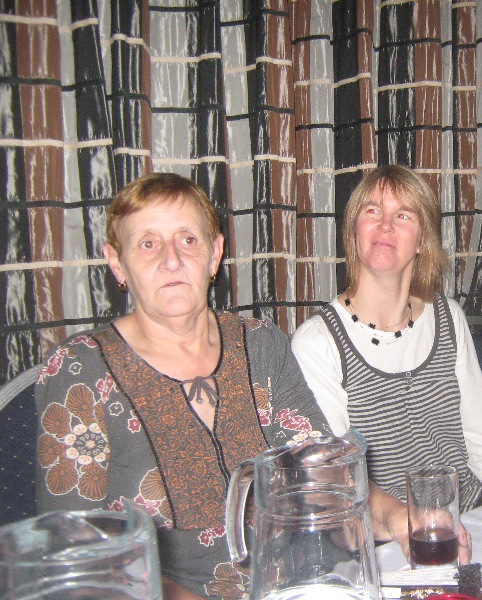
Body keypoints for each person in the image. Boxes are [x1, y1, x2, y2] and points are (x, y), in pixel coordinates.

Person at [34, 173, 334, 599]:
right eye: (148, 243)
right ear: (117, 263)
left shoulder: (262, 343)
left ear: (215, 254)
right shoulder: (79, 369)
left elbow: (324, 475)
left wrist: (396, 515)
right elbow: (76, 551)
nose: (171, 260)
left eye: (188, 240)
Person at [291, 164, 482, 554]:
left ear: (422, 242)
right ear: (354, 232)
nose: (385, 225)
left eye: (403, 215)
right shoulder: (318, 342)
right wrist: (409, 521)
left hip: (473, 517)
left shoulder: (448, 318)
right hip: (386, 541)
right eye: (372, 211)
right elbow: (337, 481)